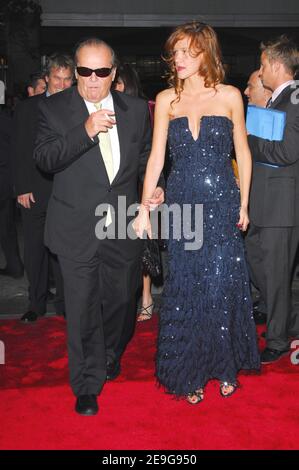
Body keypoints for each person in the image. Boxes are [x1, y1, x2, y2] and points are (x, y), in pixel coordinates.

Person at [34, 38, 164, 416]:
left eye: (101, 71)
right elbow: (44, 158)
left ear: (114, 73)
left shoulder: (137, 109)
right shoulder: (54, 108)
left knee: (122, 303)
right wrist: (86, 130)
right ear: (76, 72)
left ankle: (108, 352)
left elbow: (145, 160)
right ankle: (87, 383)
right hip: (74, 227)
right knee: (81, 308)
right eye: (85, 71)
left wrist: (154, 190)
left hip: (121, 226)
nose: (93, 80)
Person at [133, 21, 260, 404]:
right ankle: (189, 371)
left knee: (221, 286)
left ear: (207, 54)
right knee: (186, 287)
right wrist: (142, 208)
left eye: (190, 51)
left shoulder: (230, 96)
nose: (181, 59)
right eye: (177, 52)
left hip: (222, 203)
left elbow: (244, 152)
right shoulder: (165, 100)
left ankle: (223, 365)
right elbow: (157, 157)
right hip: (182, 204)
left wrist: (244, 202)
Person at [246, 36, 299, 364]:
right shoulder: (281, 100)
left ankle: (278, 340)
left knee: (277, 273)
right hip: (267, 201)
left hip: (282, 203)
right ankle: (286, 321)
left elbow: (286, 152)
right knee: (259, 263)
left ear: (277, 66)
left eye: (264, 64)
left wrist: (249, 139)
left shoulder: (293, 100)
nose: (261, 70)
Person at [13, 53, 74, 323]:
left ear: (72, 81)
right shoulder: (28, 108)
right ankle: (36, 304)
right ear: (46, 78)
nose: (60, 85)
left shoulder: (78, 106)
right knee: (35, 250)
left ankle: (65, 304)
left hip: (67, 192)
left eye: (66, 80)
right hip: (35, 189)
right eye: (56, 79)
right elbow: (19, 150)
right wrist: (22, 187)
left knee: (63, 250)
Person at [113, 63, 155, 322]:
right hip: (118, 189)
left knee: (144, 244)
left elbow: (152, 152)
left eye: (117, 83)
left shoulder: (145, 109)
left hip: (143, 185)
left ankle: (147, 296)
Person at [244, 70, 272, 325]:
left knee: (269, 260)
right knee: (254, 253)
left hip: (275, 203)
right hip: (256, 199)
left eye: (251, 86)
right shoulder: (256, 118)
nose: (246, 91)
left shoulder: (277, 117)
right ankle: (267, 302)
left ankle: (275, 308)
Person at [0, 108, 24, 279]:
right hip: (5, 180)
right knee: (5, 226)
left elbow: (16, 147)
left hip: (4, 180)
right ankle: (14, 265)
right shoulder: (5, 117)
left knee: (5, 226)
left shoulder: (4, 118)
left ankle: (15, 266)